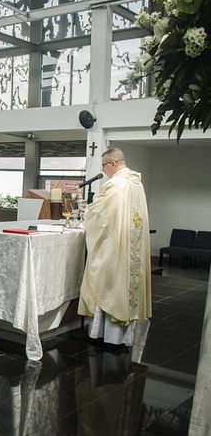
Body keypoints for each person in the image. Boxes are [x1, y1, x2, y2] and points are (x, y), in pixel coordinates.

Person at [79, 147, 151, 348]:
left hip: (117, 247)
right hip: (131, 244)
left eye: (104, 166)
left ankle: (106, 336)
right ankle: (121, 337)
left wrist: (87, 210)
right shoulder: (136, 183)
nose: (104, 170)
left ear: (112, 163)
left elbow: (100, 215)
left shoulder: (116, 184)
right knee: (125, 286)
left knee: (110, 282)